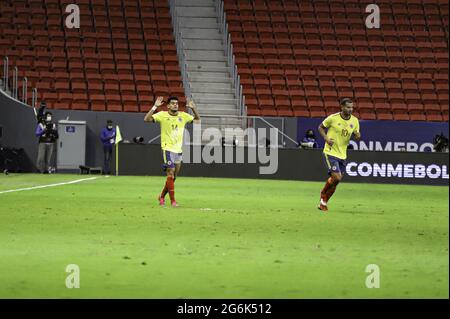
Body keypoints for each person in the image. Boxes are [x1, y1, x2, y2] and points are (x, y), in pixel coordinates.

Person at [144, 96, 200, 207]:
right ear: (168, 105)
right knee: (170, 173)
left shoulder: (183, 116)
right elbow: (146, 119)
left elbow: (197, 120)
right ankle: (173, 201)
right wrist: (155, 106)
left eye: (177, 103)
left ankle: (161, 196)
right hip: (167, 148)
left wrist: (193, 109)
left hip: (178, 150)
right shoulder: (162, 115)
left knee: (173, 177)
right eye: (173, 103)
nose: (175, 105)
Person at [317, 98, 361, 212]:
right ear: (341, 107)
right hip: (330, 152)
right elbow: (320, 127)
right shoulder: (333, 118)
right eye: (348, 107)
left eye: (352, 107)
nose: (350, 109)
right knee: (337, 177)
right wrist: (326, 138)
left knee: (336, 181)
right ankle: (323, 193)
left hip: (343, 154)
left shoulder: (355, 121)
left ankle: (324, 202)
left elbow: (356, 135)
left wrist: (357, 136)